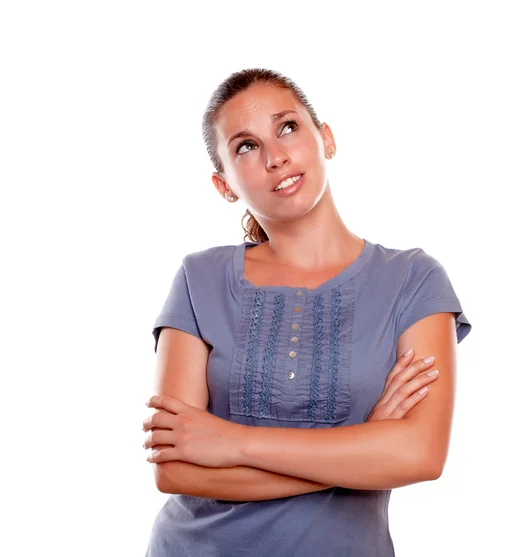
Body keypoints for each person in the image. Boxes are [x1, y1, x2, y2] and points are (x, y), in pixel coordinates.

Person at [142, 67, 472, 556]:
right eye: (246, 147)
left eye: (288, 128)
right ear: (224, 184)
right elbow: (174, 469)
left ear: (327, 139)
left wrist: (232, 443)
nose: (275, 157)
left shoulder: (413, 280)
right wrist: (362, 448)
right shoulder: (199, 278)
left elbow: (419, 454)